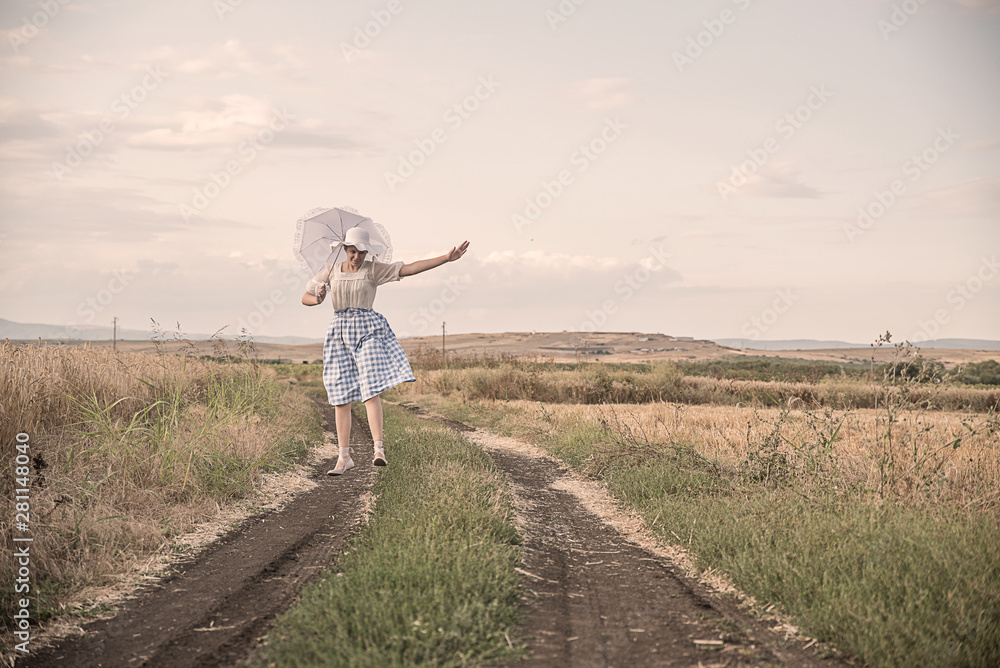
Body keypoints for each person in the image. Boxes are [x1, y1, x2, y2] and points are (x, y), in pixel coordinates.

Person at [302, 226, 470, 476]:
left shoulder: (373, 269)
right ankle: (344, 457)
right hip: (339, 332)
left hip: (368, 329)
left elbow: (410, 268)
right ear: (344, 249)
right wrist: (319, 296)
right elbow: (306, 296)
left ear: (367, 252)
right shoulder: (331, 270)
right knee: (340, 395)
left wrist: (446, 258)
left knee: (370, 388)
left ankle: (378, 450)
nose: (356, 256)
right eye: (352, 251)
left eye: (361, 252)